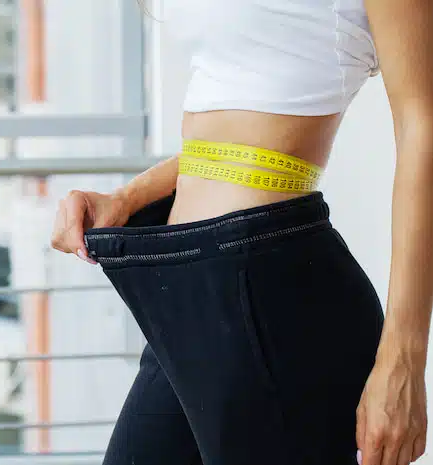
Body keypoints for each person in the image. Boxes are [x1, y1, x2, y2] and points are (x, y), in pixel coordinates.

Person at [51, 0, 432, 464]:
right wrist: (127, 198)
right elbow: (230, 130)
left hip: (271, 295)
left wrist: (404, 361)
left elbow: (423, 124)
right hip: (186, 294)